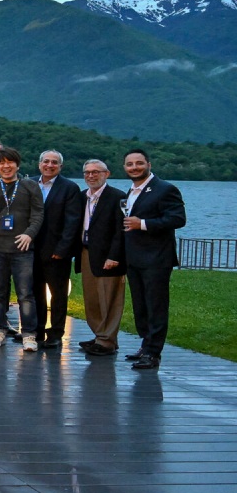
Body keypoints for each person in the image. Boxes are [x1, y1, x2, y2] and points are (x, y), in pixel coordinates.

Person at [120, 149, 187, 370]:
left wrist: (144, 223)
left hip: (156, 258)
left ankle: (153, 353)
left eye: (139, 163)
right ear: (124, 168)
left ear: (148, 164)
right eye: (130, 164)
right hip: (134, 258)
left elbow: (177, 218)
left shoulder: (165, 189)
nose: (134, 167)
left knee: (156, 306)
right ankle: (145, 345)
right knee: (140, 306)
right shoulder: (131, 191)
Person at [0, 146, 44, 351]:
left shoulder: (30, 185)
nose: (6, 166)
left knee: (25, 293)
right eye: (1, 163)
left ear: (17, 164)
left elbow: (38, 214)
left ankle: (29, 334)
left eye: (9, 162)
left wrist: (29, 233)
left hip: (22, 247)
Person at [74, 160, 128, 358]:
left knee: (109, 299)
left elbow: (121, 230)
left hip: (108, 256)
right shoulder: (82, 197)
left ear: (107, 174)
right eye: (87, 172)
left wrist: (115, 256)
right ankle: (100, 336)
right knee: (92, 299)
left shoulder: (118, 197)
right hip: (87, 253)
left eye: (96, 172)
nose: (91, 176)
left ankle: (107, 340)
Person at [32, 150, 83, 348]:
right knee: (34, 292)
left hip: (56, 251)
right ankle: (36, 330)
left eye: (54, 162)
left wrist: (63, 249)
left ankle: (55, 334)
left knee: (58, 294)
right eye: (46, 161)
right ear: (39, 164)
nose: (50, 165)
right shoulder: (30, 183)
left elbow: (73, 222)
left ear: (60, 167)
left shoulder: (69, 188)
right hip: (31, 249)